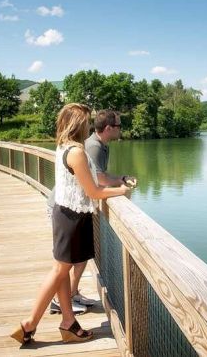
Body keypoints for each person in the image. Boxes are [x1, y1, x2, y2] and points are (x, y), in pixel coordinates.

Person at [11, 103, 131, 345]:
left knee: (62, 272)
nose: (89, 126)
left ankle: (68, 322)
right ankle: (29, 323)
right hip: (72, 219)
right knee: (58, 272)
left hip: (65, 213)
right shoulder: (76, 152)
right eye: (86, 122)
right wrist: (122, 190)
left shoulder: (63, 147)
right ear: (79, 124)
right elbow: (94, 192)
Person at [47, 110, 137, 313]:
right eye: (119, 126)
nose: (121, 129)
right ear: (108, 128)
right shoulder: (91, 147)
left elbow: (100, 177)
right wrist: (121, 189)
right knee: (65, 264)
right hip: (67, 207)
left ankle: (71, 295)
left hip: (74, 207)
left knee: (77, 259)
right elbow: (98, 183)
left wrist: (121, 178)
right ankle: (56, 304)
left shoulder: (100, 145)